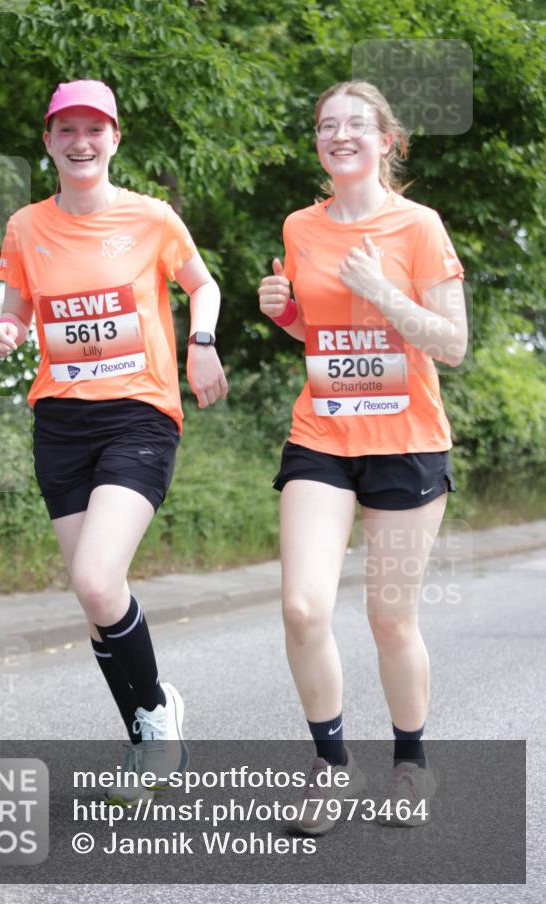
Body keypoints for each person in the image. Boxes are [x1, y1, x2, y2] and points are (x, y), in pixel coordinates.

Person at [0, 79, 227, 802]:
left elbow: (202, 286)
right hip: (60, 422)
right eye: (67, 131)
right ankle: (146, 739)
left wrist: (201, 341)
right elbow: (16, 307)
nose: (81, 143)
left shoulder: (151, 219)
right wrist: (7, 331)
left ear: (115, 139)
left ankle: (158, 712)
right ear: (49, 142)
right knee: (97, 598)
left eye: (95, 130)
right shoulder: (26, 226)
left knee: (95, 578)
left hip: (138, 415)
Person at [258, 80, 467, 833]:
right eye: (325, 125)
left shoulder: (417, 226)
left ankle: (410, 763)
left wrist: (382, 290)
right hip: (322, 435)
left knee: (389, 619)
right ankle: (330, 765)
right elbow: (319, 339)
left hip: (406, 445)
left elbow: (451, 344)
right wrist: (284, 314)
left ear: (386, 141)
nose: (338, 134)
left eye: (355, 124)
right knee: (302, 606)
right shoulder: (299, 226)